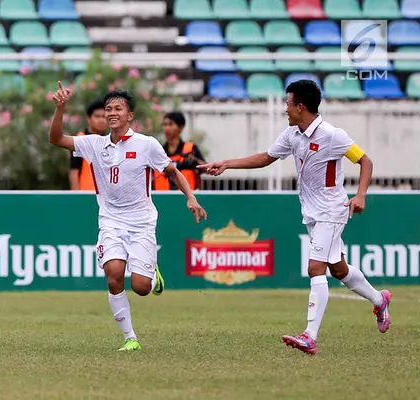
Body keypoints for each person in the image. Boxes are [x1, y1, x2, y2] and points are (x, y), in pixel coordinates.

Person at [198, 80, 391, 355]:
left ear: (300, 106)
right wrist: (227, 164)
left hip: (332, 211)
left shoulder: (332, 135)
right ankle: (379, 299)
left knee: (316, 268)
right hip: (312, 213)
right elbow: (266, 157)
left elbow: (365, 161)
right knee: (338, 269)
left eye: (288, 104)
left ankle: (310, 336)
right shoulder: (292, 134)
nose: (285, 108)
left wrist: (360, 195)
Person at [48, 82, 207, 351]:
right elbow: (56, 139)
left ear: (129, 115)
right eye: (108, 108)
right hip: (110, 220)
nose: (112, 112)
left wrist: (190, 197)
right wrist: (60, 108)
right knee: (114, 275)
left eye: (118, 108)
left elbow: (172, 172)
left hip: (142, 221)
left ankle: (152, 275)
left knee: (142, 287)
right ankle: (130, 337)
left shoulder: (147, 144)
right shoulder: (93, 144)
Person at [153, 111, 205, 191]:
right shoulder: (159, 151)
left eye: (170, 124)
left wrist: (195, 162)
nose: (166, 128)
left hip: (186, 199)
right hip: (161, 199)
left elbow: (206, 168)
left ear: (181, 127)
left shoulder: (190, 149)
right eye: (164, 125)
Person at [69, 99, 108, 191]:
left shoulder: (110, 141)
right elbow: (74, 170)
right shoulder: (80, 140)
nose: (101, 120)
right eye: (97, 116)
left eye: (104, 116)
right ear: (88, 118)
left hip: (107, 199)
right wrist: (76, 196)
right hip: (86, 195)